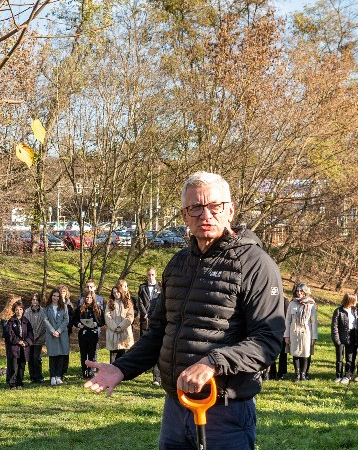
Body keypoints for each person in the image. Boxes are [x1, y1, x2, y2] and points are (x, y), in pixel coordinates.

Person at [83, 171, 285, 450]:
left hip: (225, 410)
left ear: (230, 210)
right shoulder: (178, 264)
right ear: (184, 215)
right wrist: (121, 368)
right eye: (196, 207)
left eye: (215, 206)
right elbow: (159, 333)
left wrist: (213, 362)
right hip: (176, 408)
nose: (206, 215)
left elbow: (267, 340)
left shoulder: (256, 265)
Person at [284, 283, 318, 382]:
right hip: (294, 332)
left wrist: (314, 337)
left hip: (306, 332)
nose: (299, 293)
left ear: (305, 292)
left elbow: (314, 322)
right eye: (297, 291)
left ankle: (304, 374)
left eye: (301, 291)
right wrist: (286, 335)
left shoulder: (311, 305)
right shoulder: (292, 303)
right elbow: (288, 320)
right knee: (295, 353)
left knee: (305, 353)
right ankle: (297, 374)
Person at [72, 291, 104, 379]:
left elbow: (102, 321)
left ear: (93, 298)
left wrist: (95, 324)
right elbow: (74, 319)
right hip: (83, 334)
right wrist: (79, 324)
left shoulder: (97, 309)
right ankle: (84, 371)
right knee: (83, 353)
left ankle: (91, 371)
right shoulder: (80, 308)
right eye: (87, 297)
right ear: (84, 298)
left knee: (92, 353)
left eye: (90, 298)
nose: (89, 299)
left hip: (93, 334)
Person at [137, 268, 162, 385]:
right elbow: (140, 302)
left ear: (155, 275)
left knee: (157, 346)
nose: (150, 276)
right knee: (145, 344)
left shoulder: (161, 287)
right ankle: (145, 367)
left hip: (157, 319)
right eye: (149, 275)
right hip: (145, 319)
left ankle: (156, 377)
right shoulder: (142, 288)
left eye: (152, 274)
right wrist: (145, 314)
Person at [105, 280, 135, 365]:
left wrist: (121, 327)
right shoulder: (110, 303)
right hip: (113, 331)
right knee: (113, 355)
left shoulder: (128, 302)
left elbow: (130, 316)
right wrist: (115, 327)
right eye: (114, 293)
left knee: (124, 354)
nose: (116, 294)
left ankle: (123, 372)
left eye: (117, 292)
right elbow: (107, 316)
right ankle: (112, 373)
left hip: (124, 332)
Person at [43, 289, 69, 386]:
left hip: (62, 334)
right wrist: (53, 331)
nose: (56, 298)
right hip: (51, 335)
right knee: (53, 355)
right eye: (54, 295)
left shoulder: (64, 307)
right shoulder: (46, 308)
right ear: (51, 296)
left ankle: (58, 376)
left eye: (57, 296)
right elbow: (45, 320)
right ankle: (52, 376)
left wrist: (59, 331)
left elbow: (66, 320)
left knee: (61, 355)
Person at [6, 301, 34, 389]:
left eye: (20, 309)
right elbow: (9, 334)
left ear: (23, 310)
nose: (19, 311)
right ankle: (12, 383)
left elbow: (30, 334)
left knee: (22, 365)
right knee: (14, 366)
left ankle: (19, 382)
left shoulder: (26, 321)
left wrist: (26, 342)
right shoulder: (11, 321)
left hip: (24, 348)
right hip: (14, 347)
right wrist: (18, 341)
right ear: (14, 311)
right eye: (17, 310)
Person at [331, 293, 358, 384]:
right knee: (339, 358)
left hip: (352, 337)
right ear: (349, 301)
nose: (356, 302)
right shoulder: (338, 311)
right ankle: (338, 375)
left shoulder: (355, 311)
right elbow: (334, 327)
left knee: (350, 358)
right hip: (341, 336)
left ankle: (347, 375)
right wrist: (337, 340)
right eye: (354, 301)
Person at [24, 294, 46, 383]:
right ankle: (32, 377)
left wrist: (36, 336)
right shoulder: (27, 311)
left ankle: (39, 376)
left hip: (39, 339)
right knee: (30, 358)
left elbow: (43, 325)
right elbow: (26, 325)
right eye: (33, 300)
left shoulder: (43, 311)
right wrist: (30, 337)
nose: (35, 301)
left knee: (37, 358)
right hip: (29, 339)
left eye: (36, 300)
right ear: (31, 301)